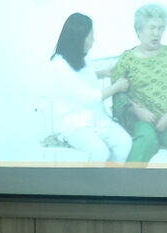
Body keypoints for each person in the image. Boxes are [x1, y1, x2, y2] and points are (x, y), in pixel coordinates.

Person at [109, 3, 167, 165]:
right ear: (139, 30)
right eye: (152, 28)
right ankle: (127, 182)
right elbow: (118, 93)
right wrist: (136, 110)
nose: (157, 33)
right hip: (142, 119)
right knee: (145, 139)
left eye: (161, 28)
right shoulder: (127, 58)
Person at [45, 12, 131, 162]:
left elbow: (80, 78)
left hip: (98, 119)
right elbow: (86, 97)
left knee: (124, 143)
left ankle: (112, 175)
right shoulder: (58, 66)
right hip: (74, 125)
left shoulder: (82, 57)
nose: (93, 40)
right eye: (90, 36)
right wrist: (117, 87)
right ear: (78, 39)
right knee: (100, 152)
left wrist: (103, 73)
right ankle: (93, 178)